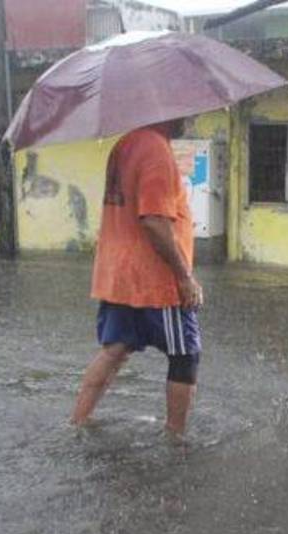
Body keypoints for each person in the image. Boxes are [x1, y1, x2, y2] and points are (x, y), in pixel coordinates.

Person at [70, 119, 203, 437]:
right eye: (187, 111)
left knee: (115, 348)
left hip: (120, 274)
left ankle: (77, 422)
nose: (192, 118)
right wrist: (184, 277)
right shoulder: (156, 150)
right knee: (185, 355)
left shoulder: (125, 145)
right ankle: (176, 438)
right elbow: (154, 221)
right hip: (155, 280)